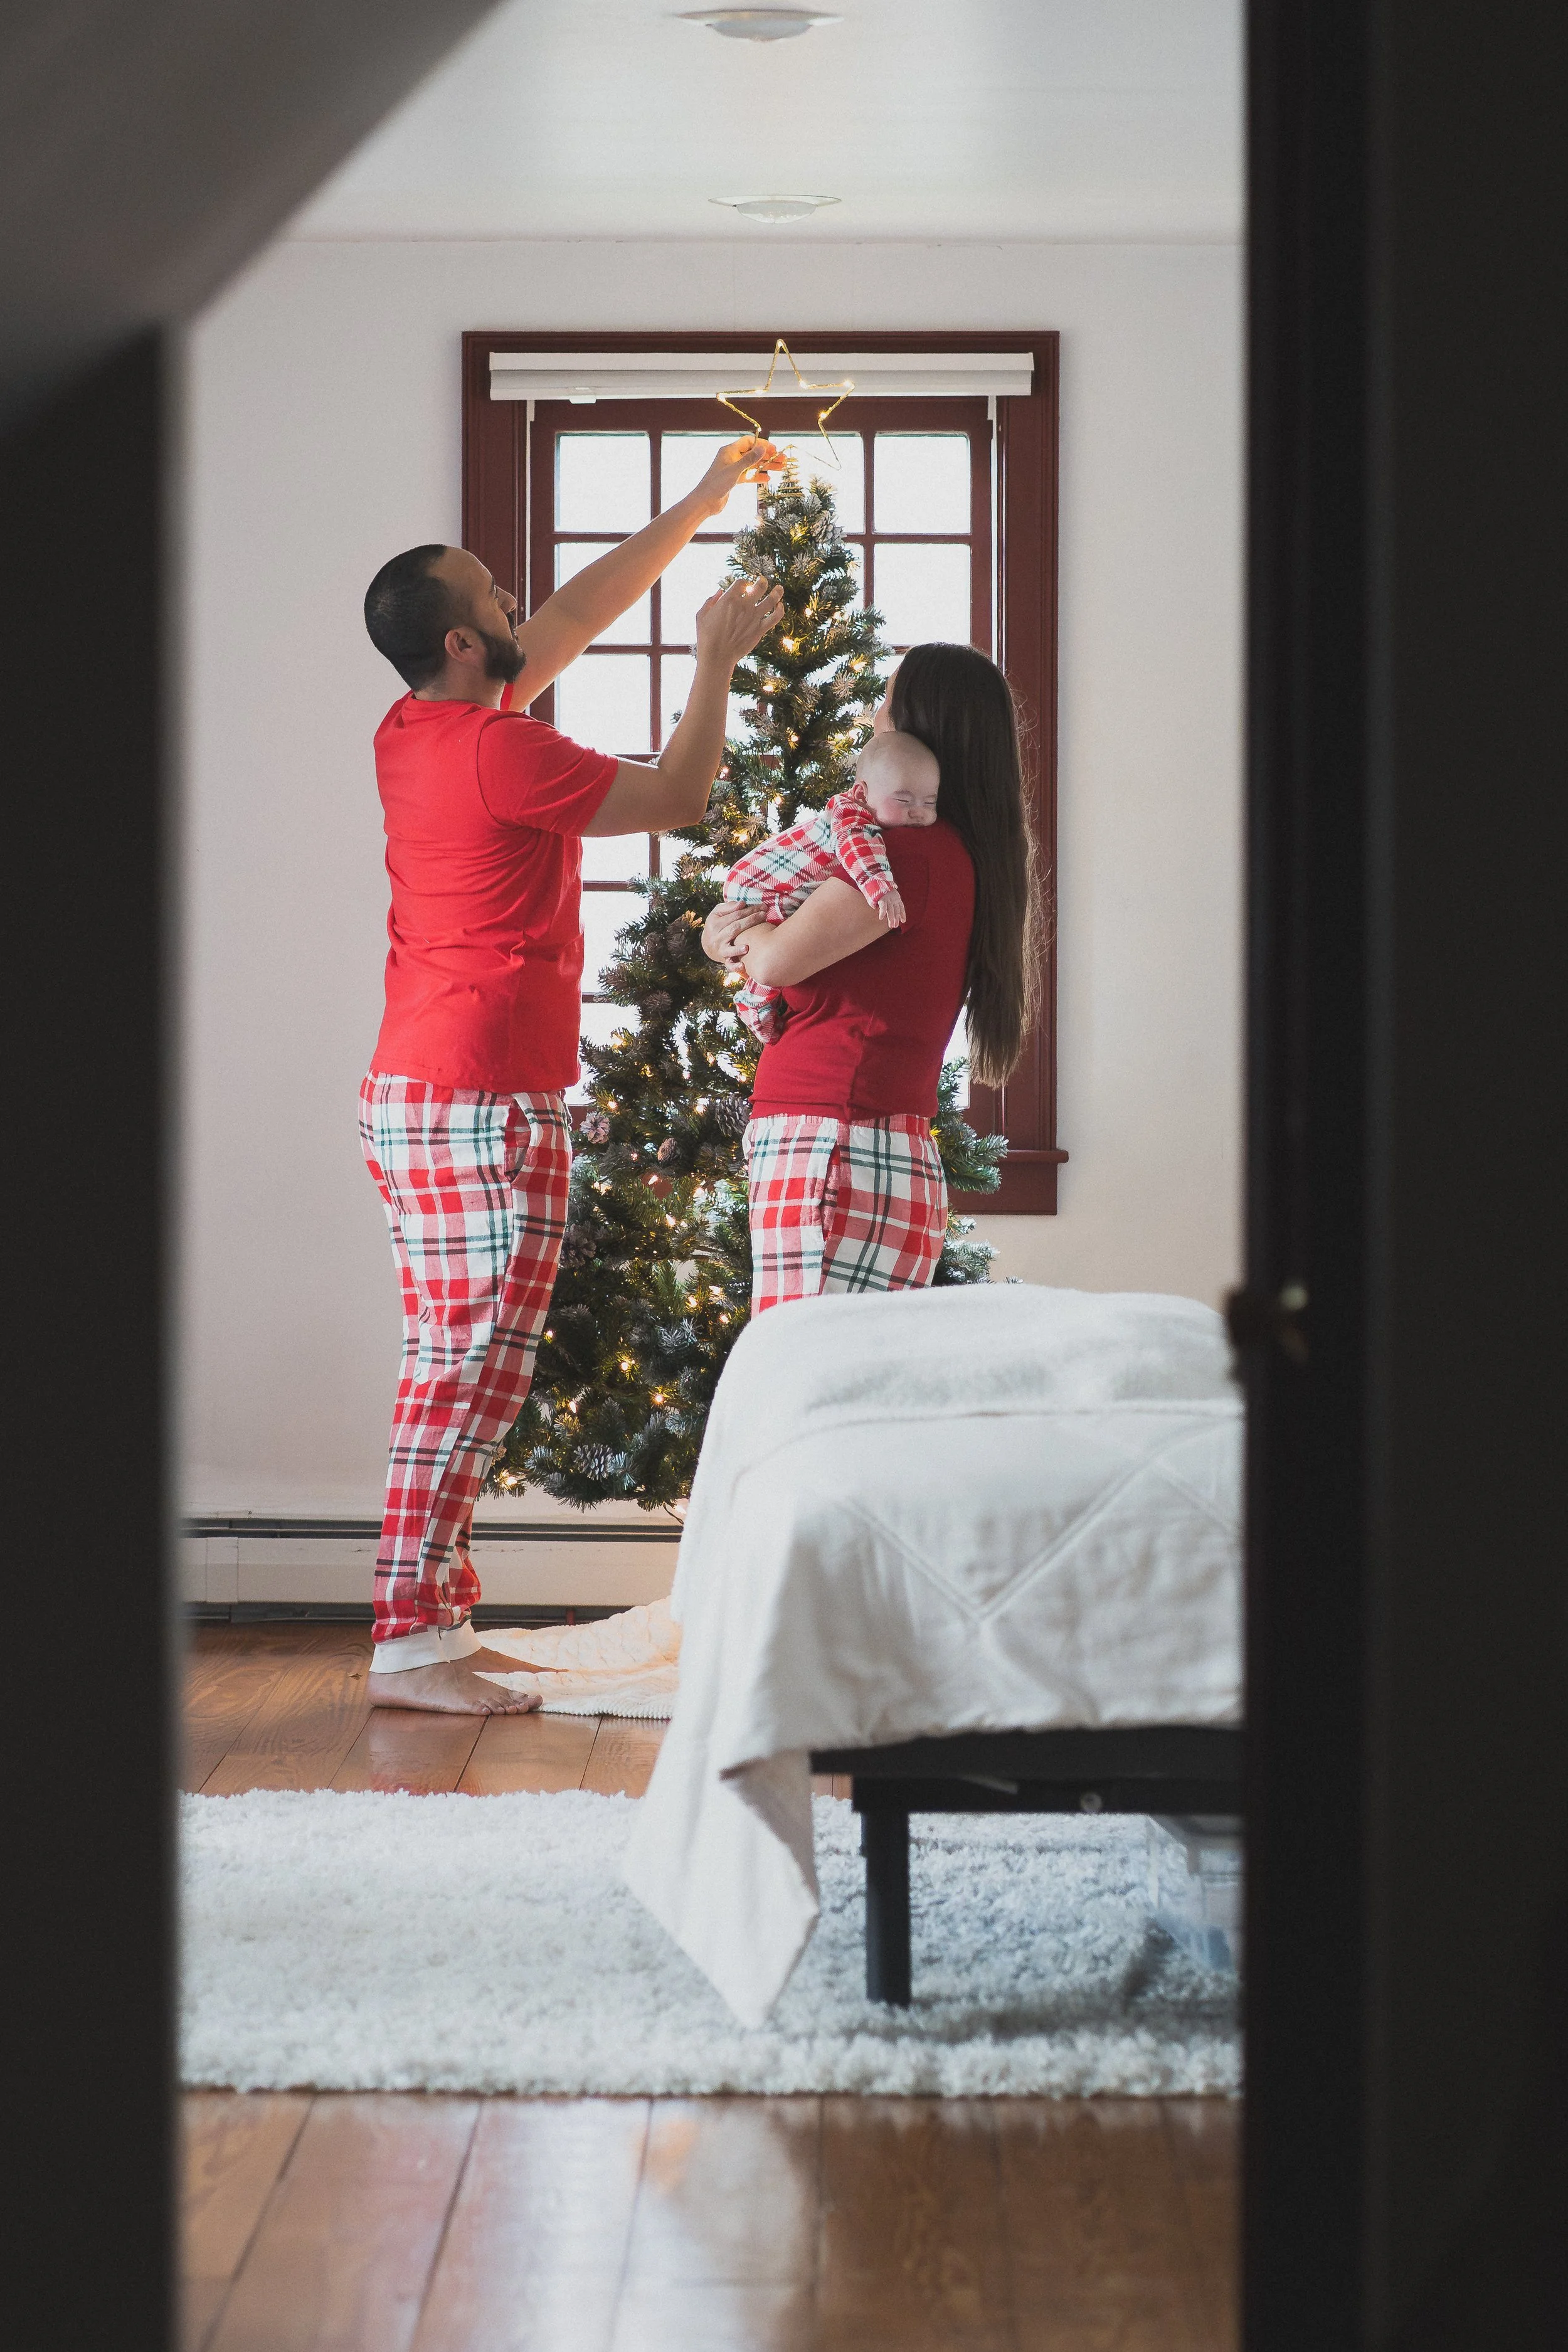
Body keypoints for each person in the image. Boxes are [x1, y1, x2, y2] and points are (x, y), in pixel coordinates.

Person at [358, 436, 785, 1715]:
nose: (513, 605)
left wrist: (701, 502)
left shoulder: (421, 721)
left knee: (469, 1360)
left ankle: (425, 1623)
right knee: (464, 1362)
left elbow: (581, 606)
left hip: (440, 1087)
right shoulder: (503, 756)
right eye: (492, 599)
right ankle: (404, 1643)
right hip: (474, 1098)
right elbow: (681, 795)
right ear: (462, 647)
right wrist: (714, 661)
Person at [702, 640, 1039, 1314]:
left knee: (804, 1373)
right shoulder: (951, 856)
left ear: (922, 721)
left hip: (834, 1140)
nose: (875, 713)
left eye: (887, 698)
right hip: (870, 1145)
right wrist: (736, 938)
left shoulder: (903, 857)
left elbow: (772, 961)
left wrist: (730, 938)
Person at [723, 729, 940, 1043]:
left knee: (783, 937)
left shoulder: (883, 822)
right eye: (904, 800)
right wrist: (882, 888)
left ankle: (753, 1000)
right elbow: (857, 848)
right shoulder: (853, 815)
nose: (918, 811)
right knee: (782, 937)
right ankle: (754, 1003)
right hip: (763, 886)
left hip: (767, 883)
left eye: (930, 802)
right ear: (862, 794)